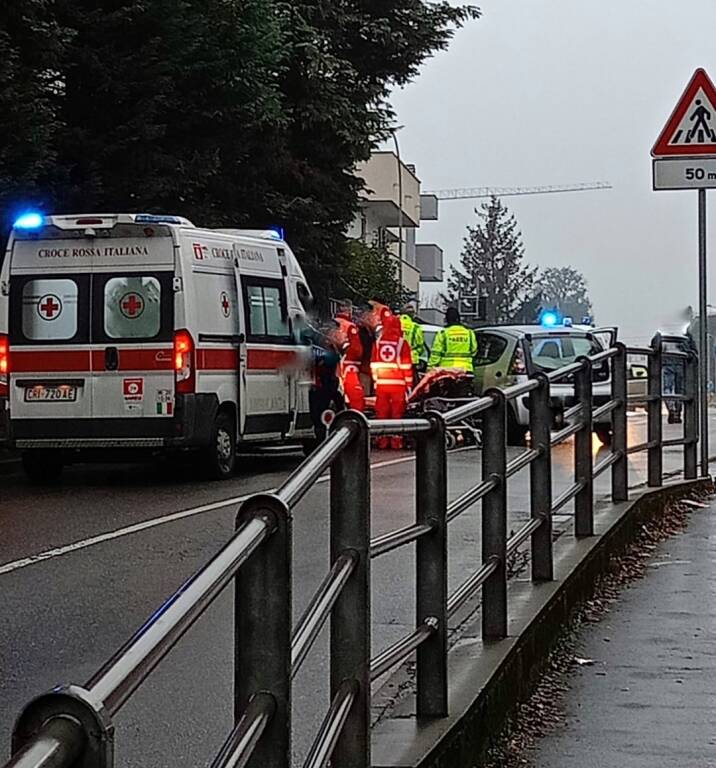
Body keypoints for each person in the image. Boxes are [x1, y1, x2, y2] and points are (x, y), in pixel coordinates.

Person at [371, 315, 413, 449]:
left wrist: (376, 382)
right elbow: (406, 366)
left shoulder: (378, 343)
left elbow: (373, 364)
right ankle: (396, 443)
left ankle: (382, 441)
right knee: (397, 414)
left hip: (382, 384)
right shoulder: (402, 343)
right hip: (398, 385)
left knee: (381, 413)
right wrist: (409, 385)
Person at [334, 300, 365, 412]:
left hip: (335, 363)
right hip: (348, 364)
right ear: (348, 310)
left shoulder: (333, 323)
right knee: (354, 393)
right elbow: (356, 350)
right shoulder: (350, 327)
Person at [428, 307, 478, 372]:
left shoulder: (443, 334)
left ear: (447, 319)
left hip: (447, 369)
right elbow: (474, 351)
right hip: (466, 369)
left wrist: (430, 367)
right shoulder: (469, 333)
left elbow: (436, 353)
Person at [399, 303, 425, 376]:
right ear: (412, 314)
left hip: (396, 358)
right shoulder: (416, 327)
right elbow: (420, 345)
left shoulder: (395, 323)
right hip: (411, 359)